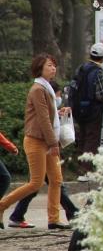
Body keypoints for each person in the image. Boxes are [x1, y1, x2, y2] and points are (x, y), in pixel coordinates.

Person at [0, 55, 69, 230]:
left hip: (47, 140)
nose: (53, 68)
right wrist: (53, 144)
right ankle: (2, 205)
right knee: (36, 183)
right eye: (49, 65)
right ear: (40, 68)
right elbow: (43, 119)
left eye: (54, 65)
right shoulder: (38, 89)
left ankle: (54, 219)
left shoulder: (46, 88)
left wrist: (58, 113)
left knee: (56, 180)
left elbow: (47, 116)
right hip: (36, 141)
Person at [69, 42, 103, 156]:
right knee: (92, 140)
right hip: (93, 111)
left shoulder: (81, 68)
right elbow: (102, 95)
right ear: (102, 57)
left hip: (79, 109)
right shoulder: (98, 71)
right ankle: (87, 165)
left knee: (82, 137)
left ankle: (80, 162)